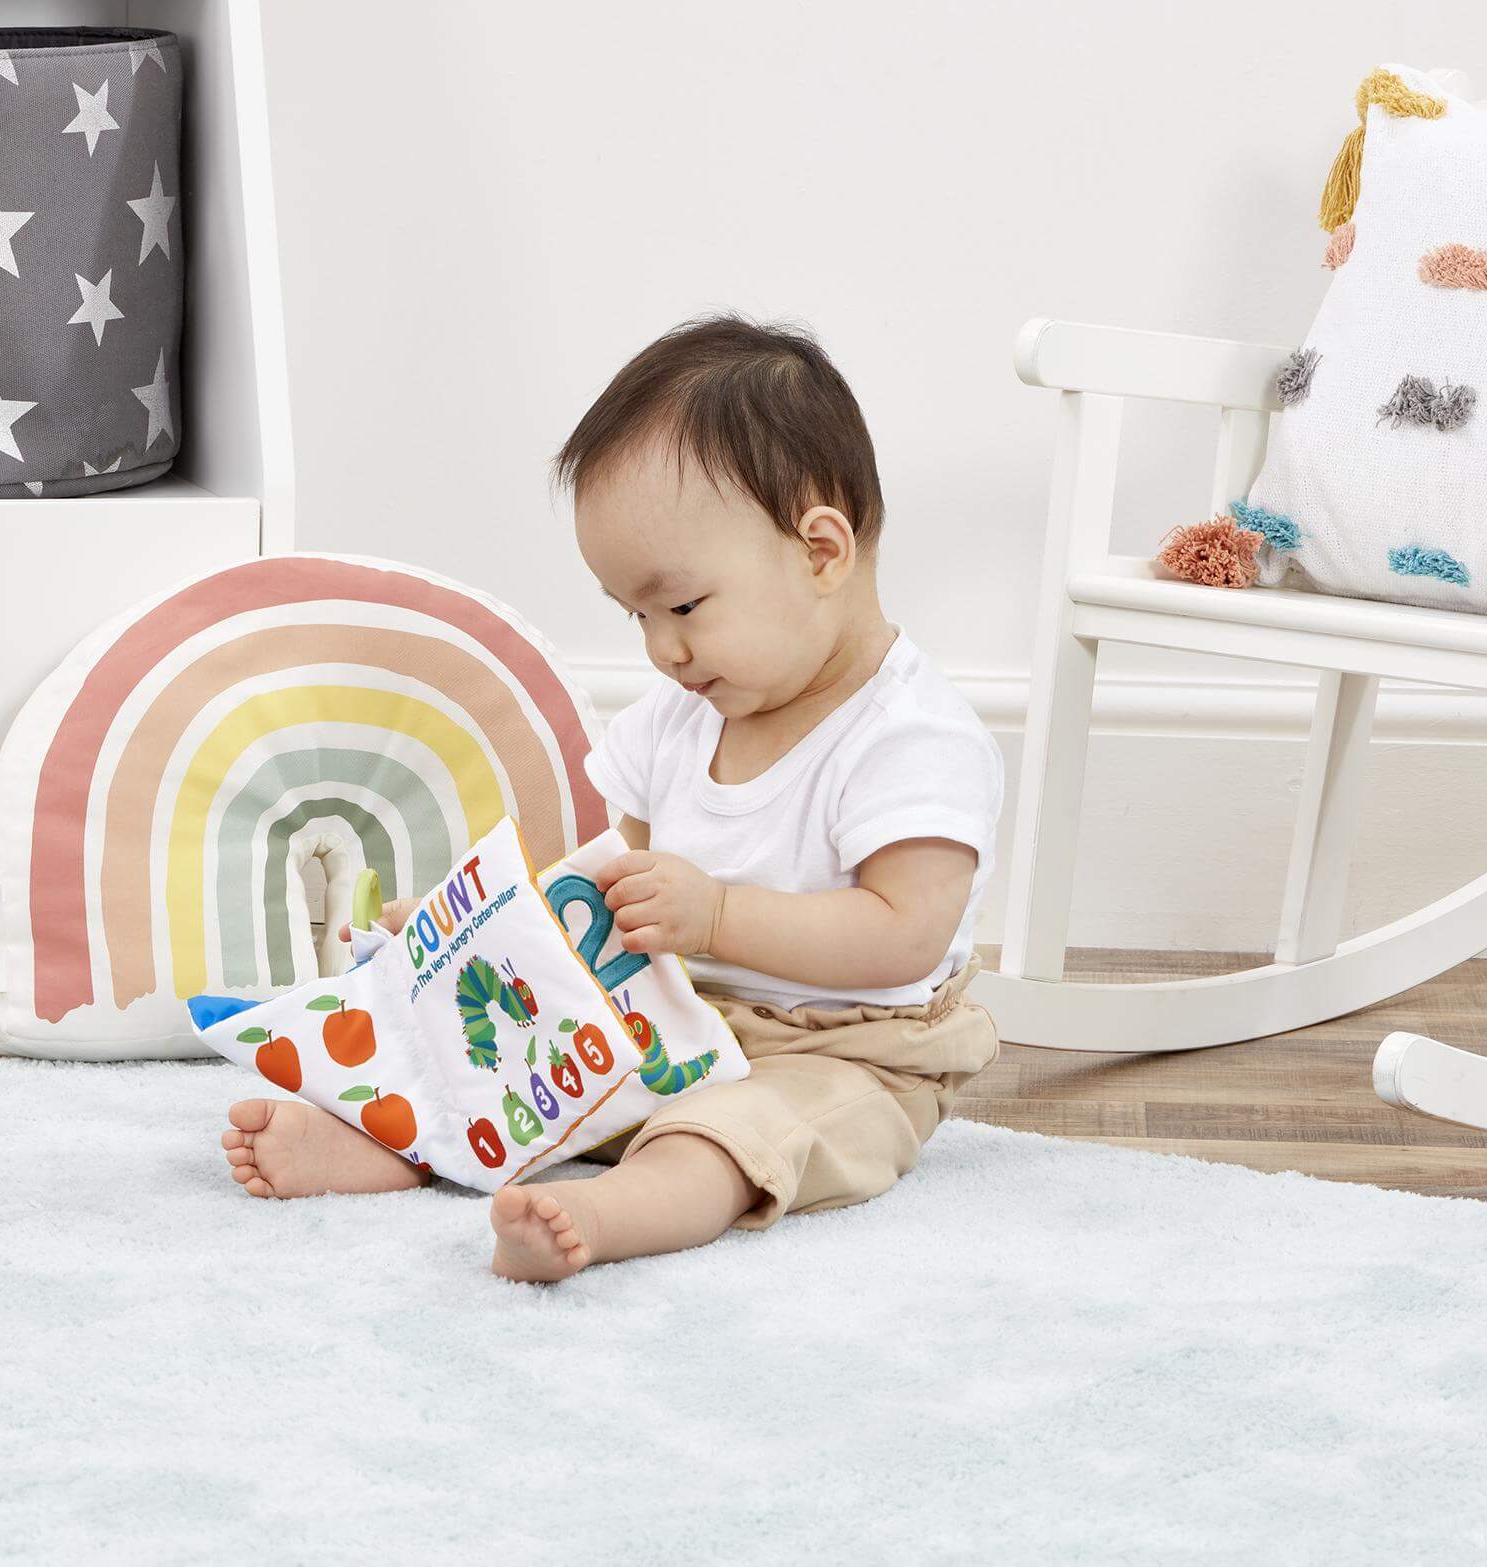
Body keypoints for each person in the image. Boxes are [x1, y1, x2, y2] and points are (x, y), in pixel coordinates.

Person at [221, 312, 1005, 1281]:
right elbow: (597, 897)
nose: (661, 647)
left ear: (820, 552)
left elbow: (904, 936)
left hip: (849, 1049)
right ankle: (397, 1142)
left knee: (732, 1133)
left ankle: (606, 1211)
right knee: (519, 1054)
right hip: (673, 1012)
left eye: (682, 606)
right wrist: (471, 925)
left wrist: (716, 917)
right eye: (635, 614)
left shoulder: (910, 737)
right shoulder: (677, 721)